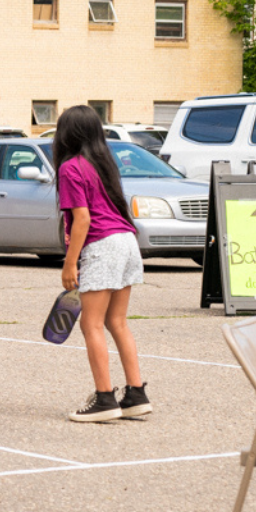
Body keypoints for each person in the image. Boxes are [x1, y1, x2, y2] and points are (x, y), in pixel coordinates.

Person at [54, 105, 151, 422]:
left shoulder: (71, 168)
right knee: (117, 322)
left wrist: (70, 264)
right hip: (126, 241)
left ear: (66, 134)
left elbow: (82, 219)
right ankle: (136, 394)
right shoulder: (103, 164)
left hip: (103, 244)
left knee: (91, 324)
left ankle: (105, 399)